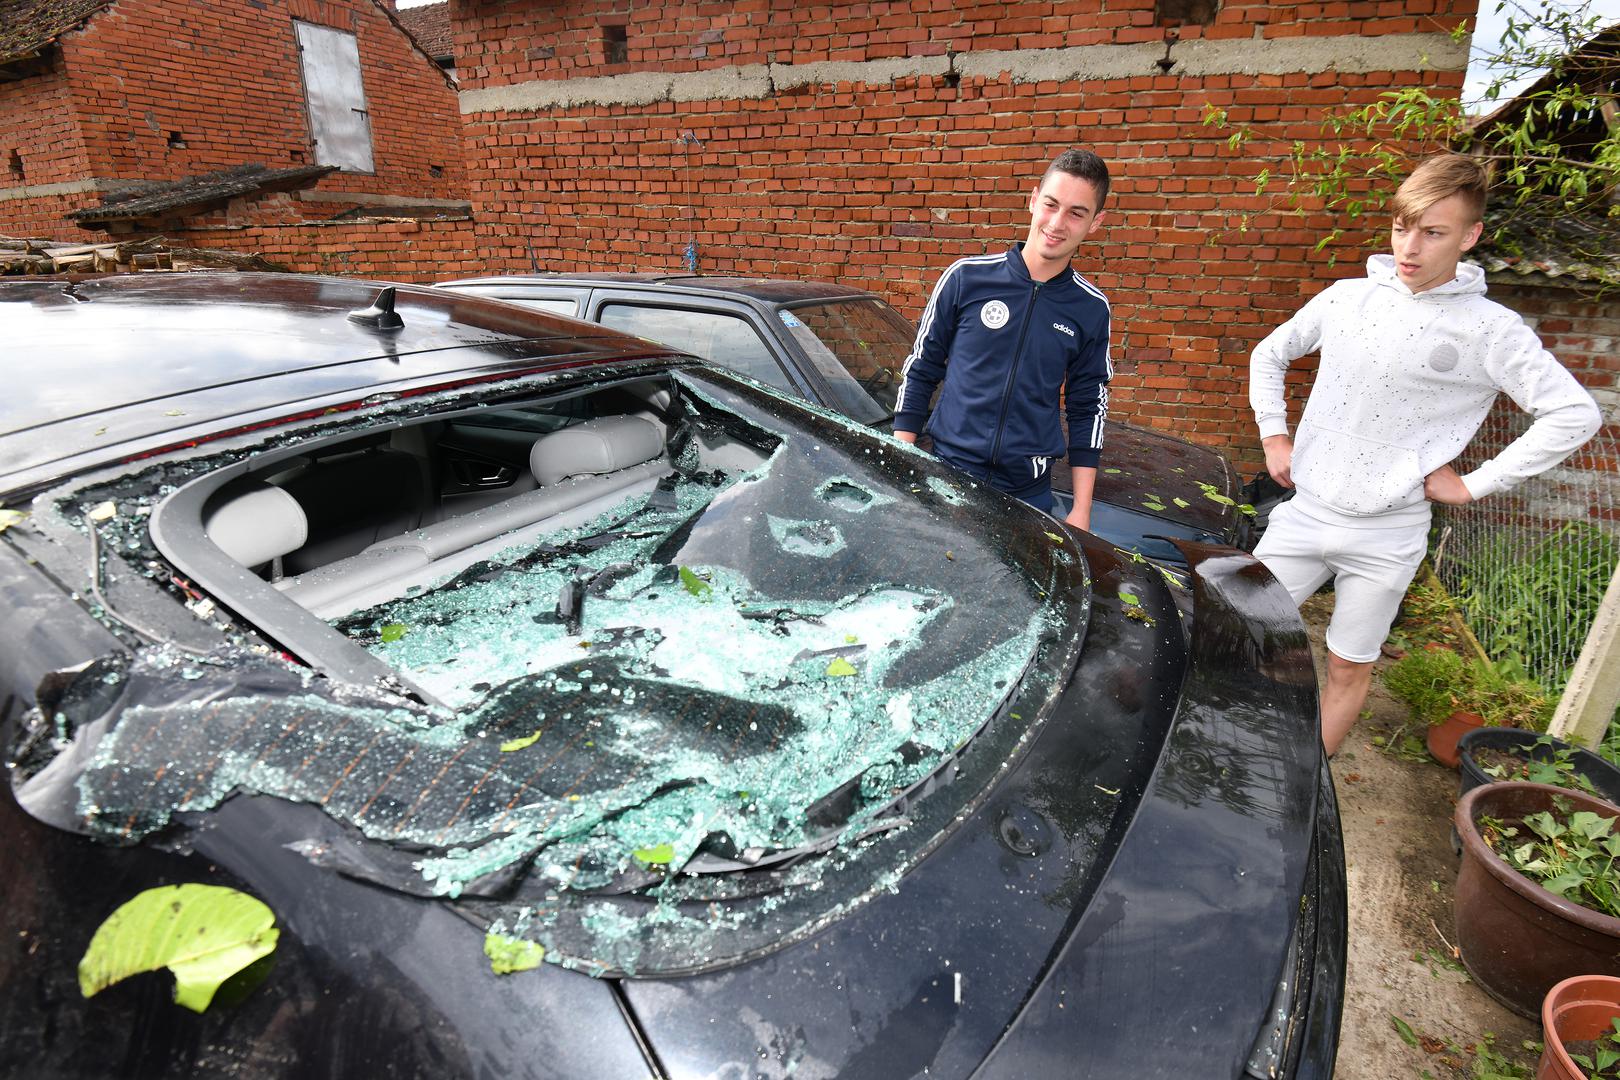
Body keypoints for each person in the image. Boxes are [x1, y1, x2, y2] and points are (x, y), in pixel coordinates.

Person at [1249, 152, 1601, 755]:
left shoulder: (1494, 330)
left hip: (1390, 535)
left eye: (1433, 232)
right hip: (1305, 513)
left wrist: (1475, 484)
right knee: (1242, 637)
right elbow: (1269, 354)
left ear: (1470, 236)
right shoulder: (1346, 299)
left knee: (1348, 667)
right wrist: (1274, 433)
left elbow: (1575, 414)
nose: (1410, 247)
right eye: (1400, 226)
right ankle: (1237, 751)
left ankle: (1309, 778)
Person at [893, 148, 1113, 529]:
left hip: (1027, 494)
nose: (1057, 223)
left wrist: (1082, 509)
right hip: (948, 476)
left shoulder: (1091, 308)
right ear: (1032, 201)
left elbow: (1088, 406)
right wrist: (903, 456)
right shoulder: (966, 278)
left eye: (1077, 213)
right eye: (1051, 204)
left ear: (1095, 222)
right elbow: (921, 369)